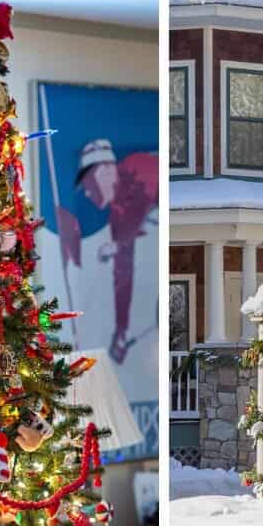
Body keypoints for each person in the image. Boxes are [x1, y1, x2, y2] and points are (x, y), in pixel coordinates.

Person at [72, 138, 159, 363]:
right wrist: (120, 332)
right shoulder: (118, 215)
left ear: (103, 172)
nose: (88, 194)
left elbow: (145, 196)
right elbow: (123, 277)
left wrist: (119, 244)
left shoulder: (139, 166)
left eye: (88, 185)